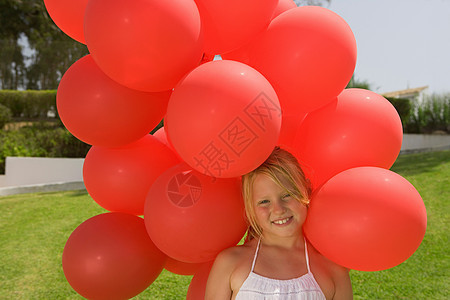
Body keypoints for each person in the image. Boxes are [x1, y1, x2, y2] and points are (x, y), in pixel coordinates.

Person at [205, 147, 353, 299]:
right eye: (264, 201)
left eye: (287, 195)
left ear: (307, 190)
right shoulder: (229, 263)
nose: (278, 209)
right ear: (249, 207)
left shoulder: (332, 268)